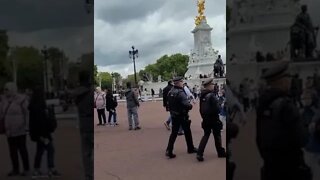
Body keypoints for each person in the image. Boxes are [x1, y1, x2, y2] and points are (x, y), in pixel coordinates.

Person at [256, 62, 311, 180]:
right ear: (281, 80)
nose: (290, 81)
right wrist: (308, 127)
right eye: (288, 77)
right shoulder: (286, 105)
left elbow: (259, 138)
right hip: (290, 166)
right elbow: (302, 139)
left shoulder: (263, 103)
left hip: (270, 165)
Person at [29, 86, 61, 178]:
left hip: (38, 133)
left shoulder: (33, 106)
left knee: (40, 151)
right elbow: (42, 121)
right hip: (43, 133)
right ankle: (50, 168)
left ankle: (37, 169)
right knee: (50, 150)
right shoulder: (40, 107)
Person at [0, 82, 30, 176]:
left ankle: (26, 169)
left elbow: (27, 113)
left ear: (13, 89)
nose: (5, 91)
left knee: (22, 150)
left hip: (20, 129)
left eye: (7, 89)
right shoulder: (3, 100)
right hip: (9, 131)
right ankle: (15, 169)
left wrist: (26, 126)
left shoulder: (22, 99)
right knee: (12, 151)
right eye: (4, 89)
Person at [165, 77, 197, 159]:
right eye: (182, 81)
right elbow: (187, 105)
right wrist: (190, 106)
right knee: (187, 132)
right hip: (182, 115)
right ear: (179, 82)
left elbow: (168, 104)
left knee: (174, 133)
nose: (182, 83)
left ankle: (169, 149)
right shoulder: (180, 92)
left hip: (174, 115)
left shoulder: (170, 92)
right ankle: (190, 148)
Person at [197, 78, 227, 161]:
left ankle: (199, 153)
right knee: (217, 135)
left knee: (206, 135)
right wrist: (220, 105)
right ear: (209, 86)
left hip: (206, 118)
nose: (214, 86)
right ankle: (220, 152)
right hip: (213, 118)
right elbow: (217, 109)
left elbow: (201, 109)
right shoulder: (212, 96)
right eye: (212, 85)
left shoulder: (202, 95)